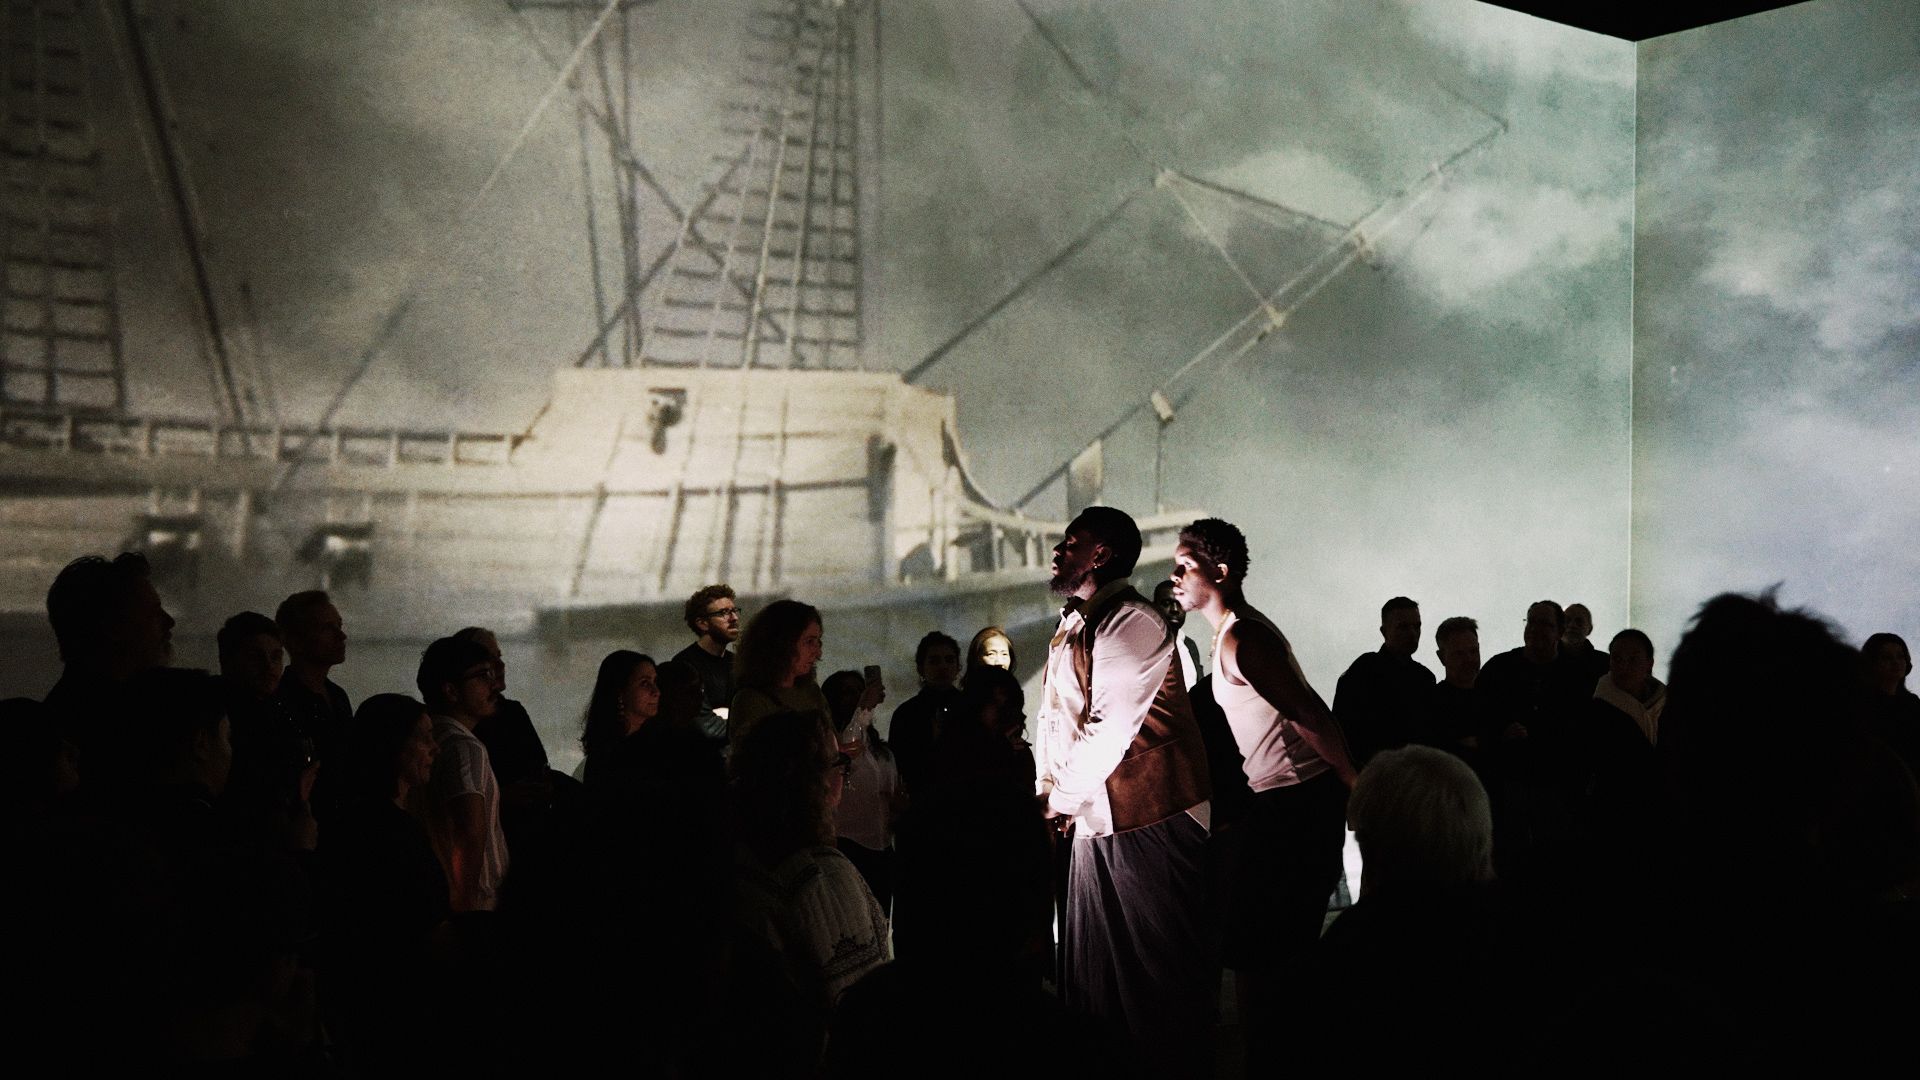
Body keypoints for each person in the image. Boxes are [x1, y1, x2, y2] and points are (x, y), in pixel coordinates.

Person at [1169, 517, 1353, 1075]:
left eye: (1186, 567)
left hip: (1298, 803)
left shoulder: (1244, 636)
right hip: (1282, 803)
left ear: (1218, 572)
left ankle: (1276, 1057)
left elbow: (1306, 710)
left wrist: (1355, 782)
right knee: (1260, 945)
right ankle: (1271, 1054)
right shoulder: (1229, 633)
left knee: (1267, 947)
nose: (1175, 577)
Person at [1036, 506, 1213, 1076]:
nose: (1060, 549)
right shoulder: (1076, 622)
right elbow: (1054, 721)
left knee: (1152, 978)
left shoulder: (1129, 621)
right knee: (1096, 977)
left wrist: (1056, 802)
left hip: (1152, 817)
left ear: (1102, 553)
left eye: (1072, 541)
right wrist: (1052, 793)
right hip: (1099, 817)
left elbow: (1107, 730)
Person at [729, 710, 890, 1073]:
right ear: (812, 778)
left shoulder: (734, 854)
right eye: (837, 763)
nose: (842, 775)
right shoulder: (821, 876)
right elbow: (859, 1003)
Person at [42, 553, 175, 781]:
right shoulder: (133, 732)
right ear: (114, 627)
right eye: (154, 613)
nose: (169, 621)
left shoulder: (56, 723)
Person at [412, 636, 510, 913]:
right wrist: (465, 908)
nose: (494, 685)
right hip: (478, 904)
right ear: (451, 691)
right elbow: (469, 832)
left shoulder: (434, 737)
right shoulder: (465, 748)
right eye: (482, 676)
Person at [823, 669, 901, 914]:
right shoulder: (832, 745)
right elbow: (848, 753)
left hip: (883, 849)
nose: (857, 697)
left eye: (860, 690)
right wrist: (865, 706)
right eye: (848, 692)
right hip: (849, 846)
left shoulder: (881, 751)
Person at [1332, 596, 1438, 767]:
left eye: (1417, 626)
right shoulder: (1364, 670)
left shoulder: (1425, 677)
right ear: (1384, 631)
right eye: (1403, 627)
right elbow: (1344, 729)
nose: (1412, 633)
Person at [729, 599, 832, 750]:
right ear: (782, 643)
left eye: (818, 642)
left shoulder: (811, 691)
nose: (818, 653)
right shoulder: (751, 702)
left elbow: (832, 745)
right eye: (809, 642)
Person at [271, 590, 353, 769]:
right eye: (327, 628)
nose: (341, 635)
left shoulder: (338, 696)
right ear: (295, 641)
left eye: (339, 625)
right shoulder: (281, 702)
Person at [887, 631, 962, 789]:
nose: (943, 667)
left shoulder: (971, 708)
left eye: (949, 660)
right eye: (934, 661)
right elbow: (901, 768)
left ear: (958, 667)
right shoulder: (906, 714)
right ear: (921, 668)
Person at [673, 584, 742, 741]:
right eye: (724, 613)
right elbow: (707, 727)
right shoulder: (684, 665)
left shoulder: (737, 663)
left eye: (734, 611)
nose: (734, 618)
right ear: (702, 623)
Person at [1861, 633, 1920, 779]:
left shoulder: (1912, 704)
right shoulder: (1862, 705)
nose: (1896, 662)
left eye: (1900, 656)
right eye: (1886, 657)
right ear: (1871, 663)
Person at [1427, 615, 1486, 761]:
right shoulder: (1431, 703)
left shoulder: (1495, 697)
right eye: (1459, 653)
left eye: (1473, 651)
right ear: (1441, 657)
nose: (1469, 660)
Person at [1154, 579, 1204, 689]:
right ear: (1155, 607)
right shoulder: (1146, 646)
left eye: (1180, 603)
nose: (1175, 610)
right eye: (1167, 603)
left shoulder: (1189, 645)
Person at [1560, 602, 1610, 682]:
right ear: (1559, 627)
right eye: (1567, 620)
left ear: (1589, 629)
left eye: (1579, 621)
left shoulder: (1605, 663)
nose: (1572, 625)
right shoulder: (1545, 660)